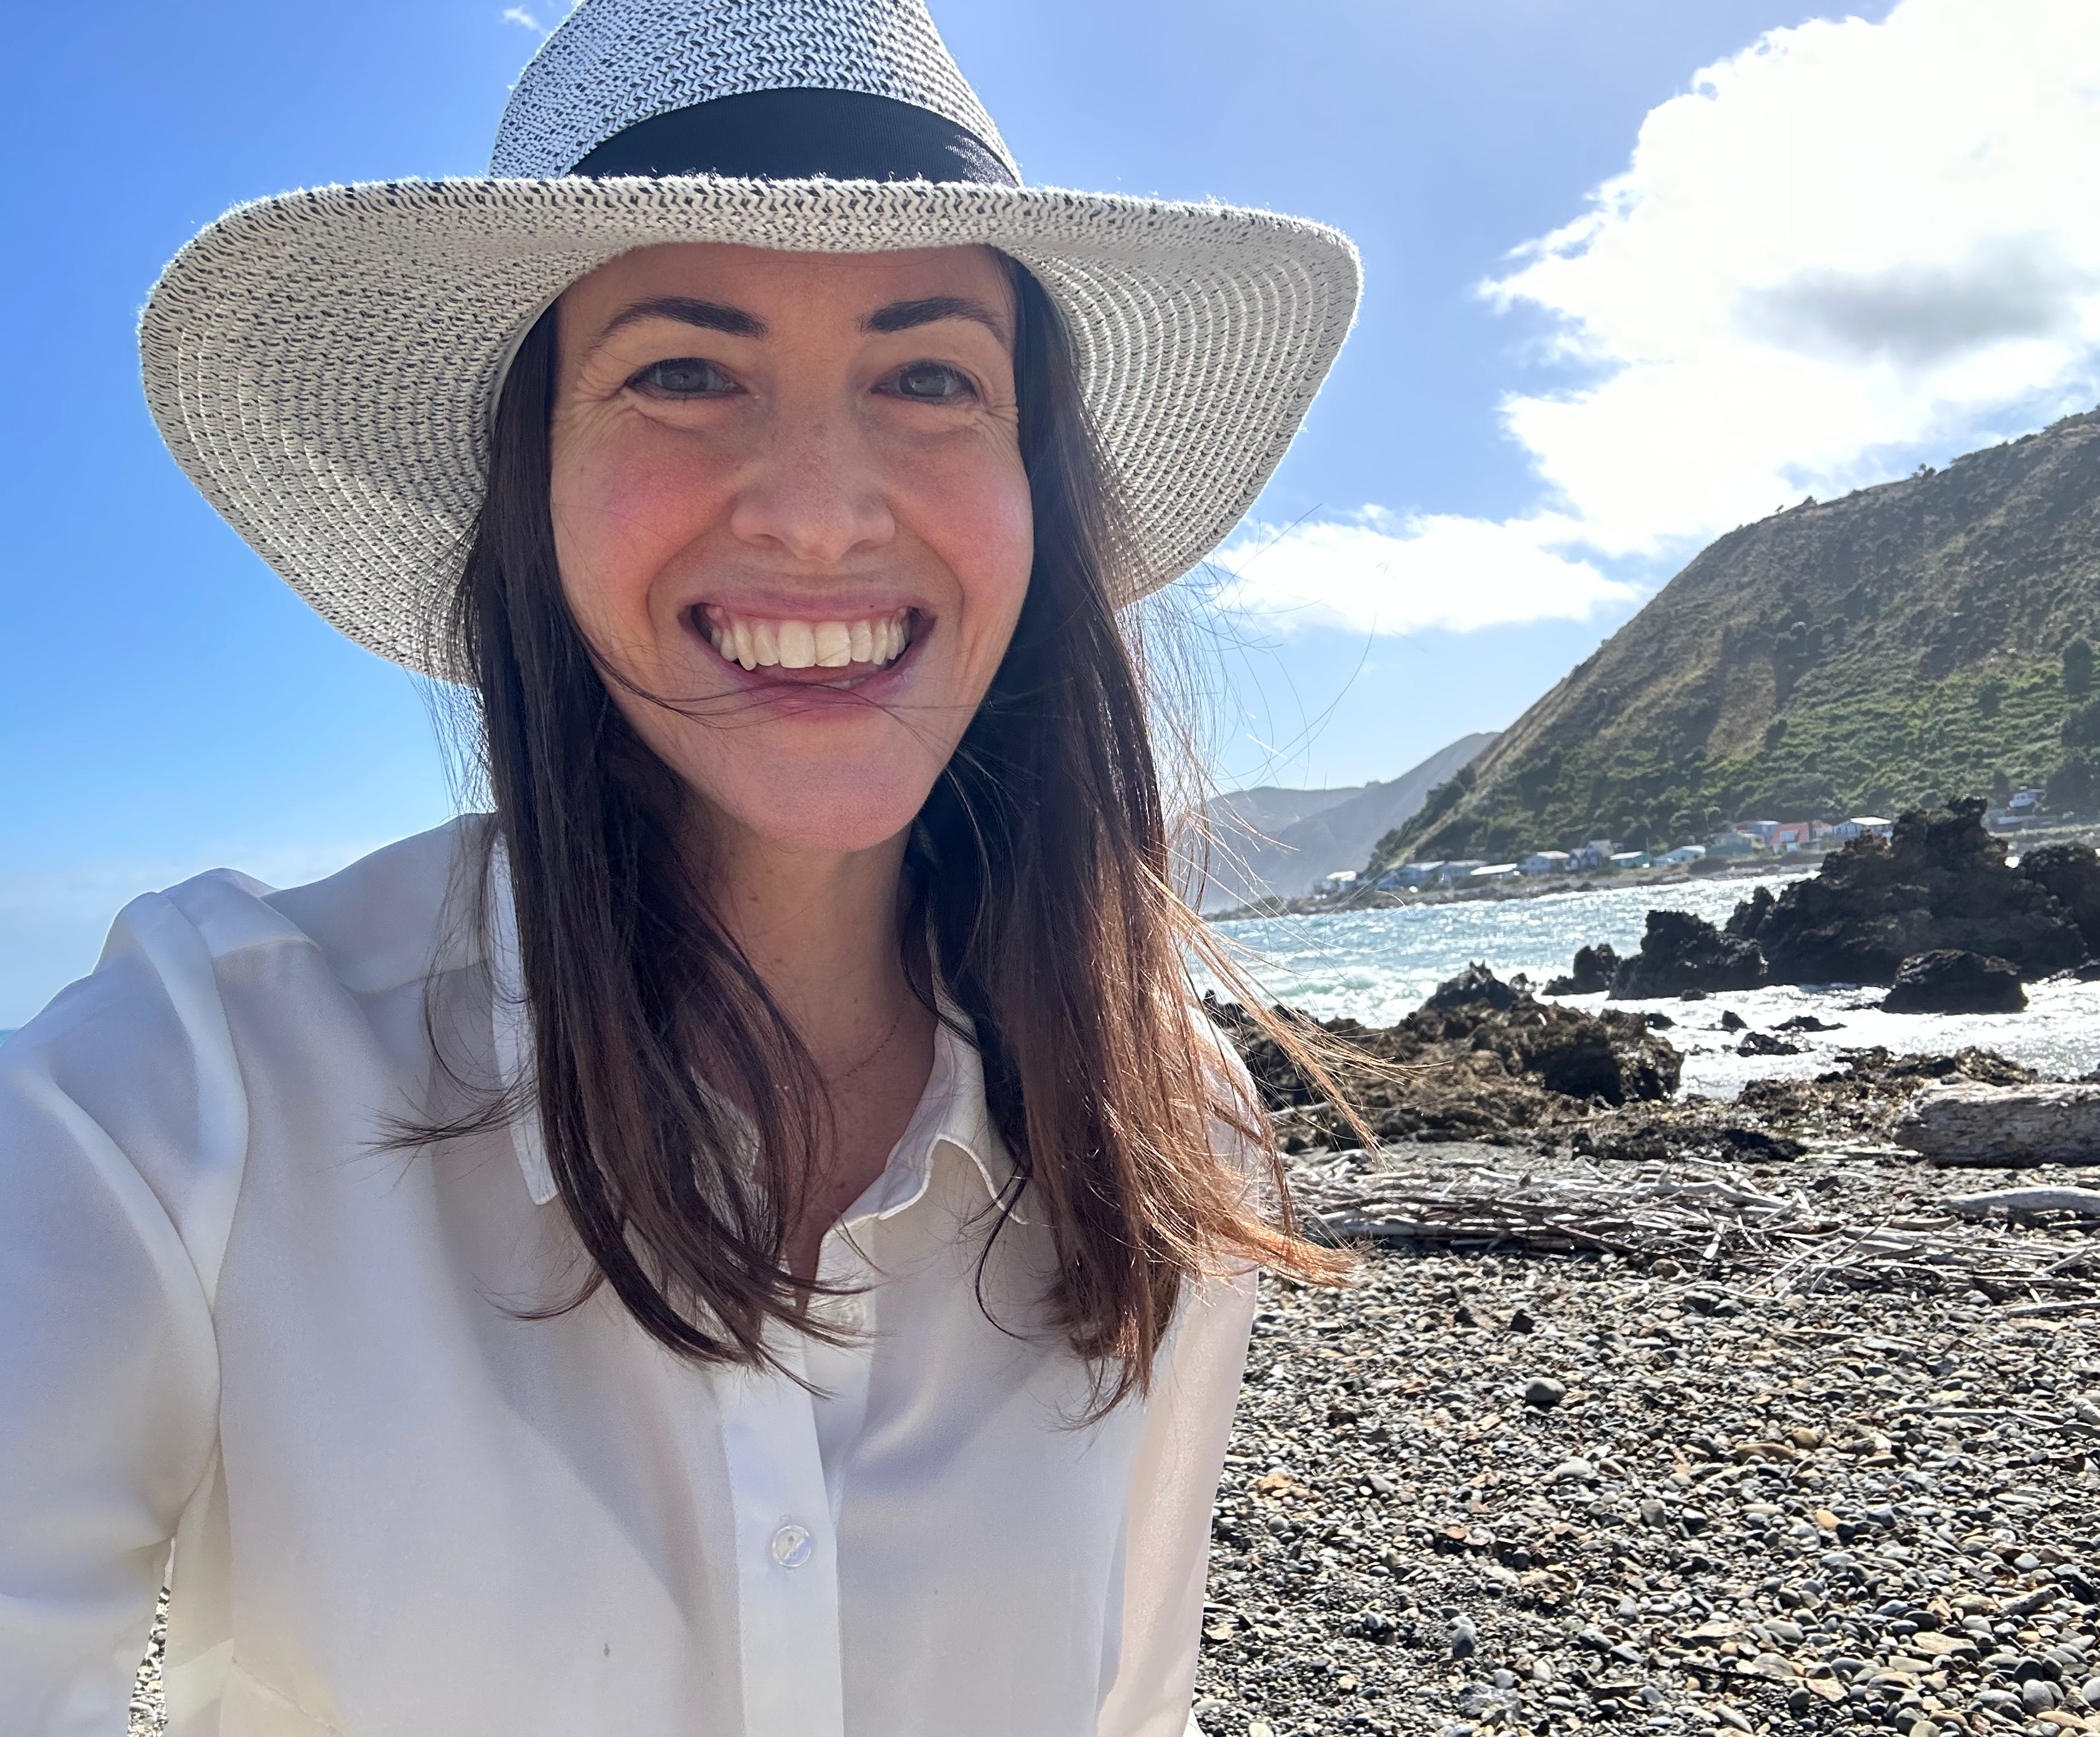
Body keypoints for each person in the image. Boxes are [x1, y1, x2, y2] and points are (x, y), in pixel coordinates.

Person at [0, 2, 1365, 1731]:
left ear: (1037, 481)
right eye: (684, 373)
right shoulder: (189, 1096)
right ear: (532, 484)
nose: (820, 511)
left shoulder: (1164, 1119)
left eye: (931, 376)